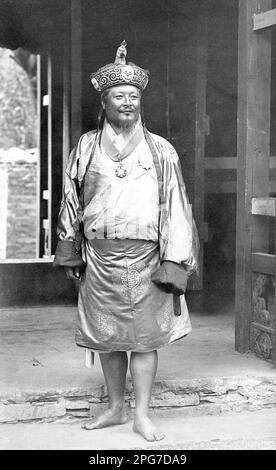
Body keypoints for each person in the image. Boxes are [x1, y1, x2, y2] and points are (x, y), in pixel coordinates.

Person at [54, 40, 199, 442]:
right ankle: (116, 408)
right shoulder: (84, 147)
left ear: (141, 101)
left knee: (145, 339)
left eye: (133, 96)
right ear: (104, 101)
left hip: (146, 258)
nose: (127, 102)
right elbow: (70, 199)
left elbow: (176, 207)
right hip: (100, 258)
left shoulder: (161, 150)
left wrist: (174, 261)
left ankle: (142, 414)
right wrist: (71, 252)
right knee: (107, 338)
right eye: (119, 95)